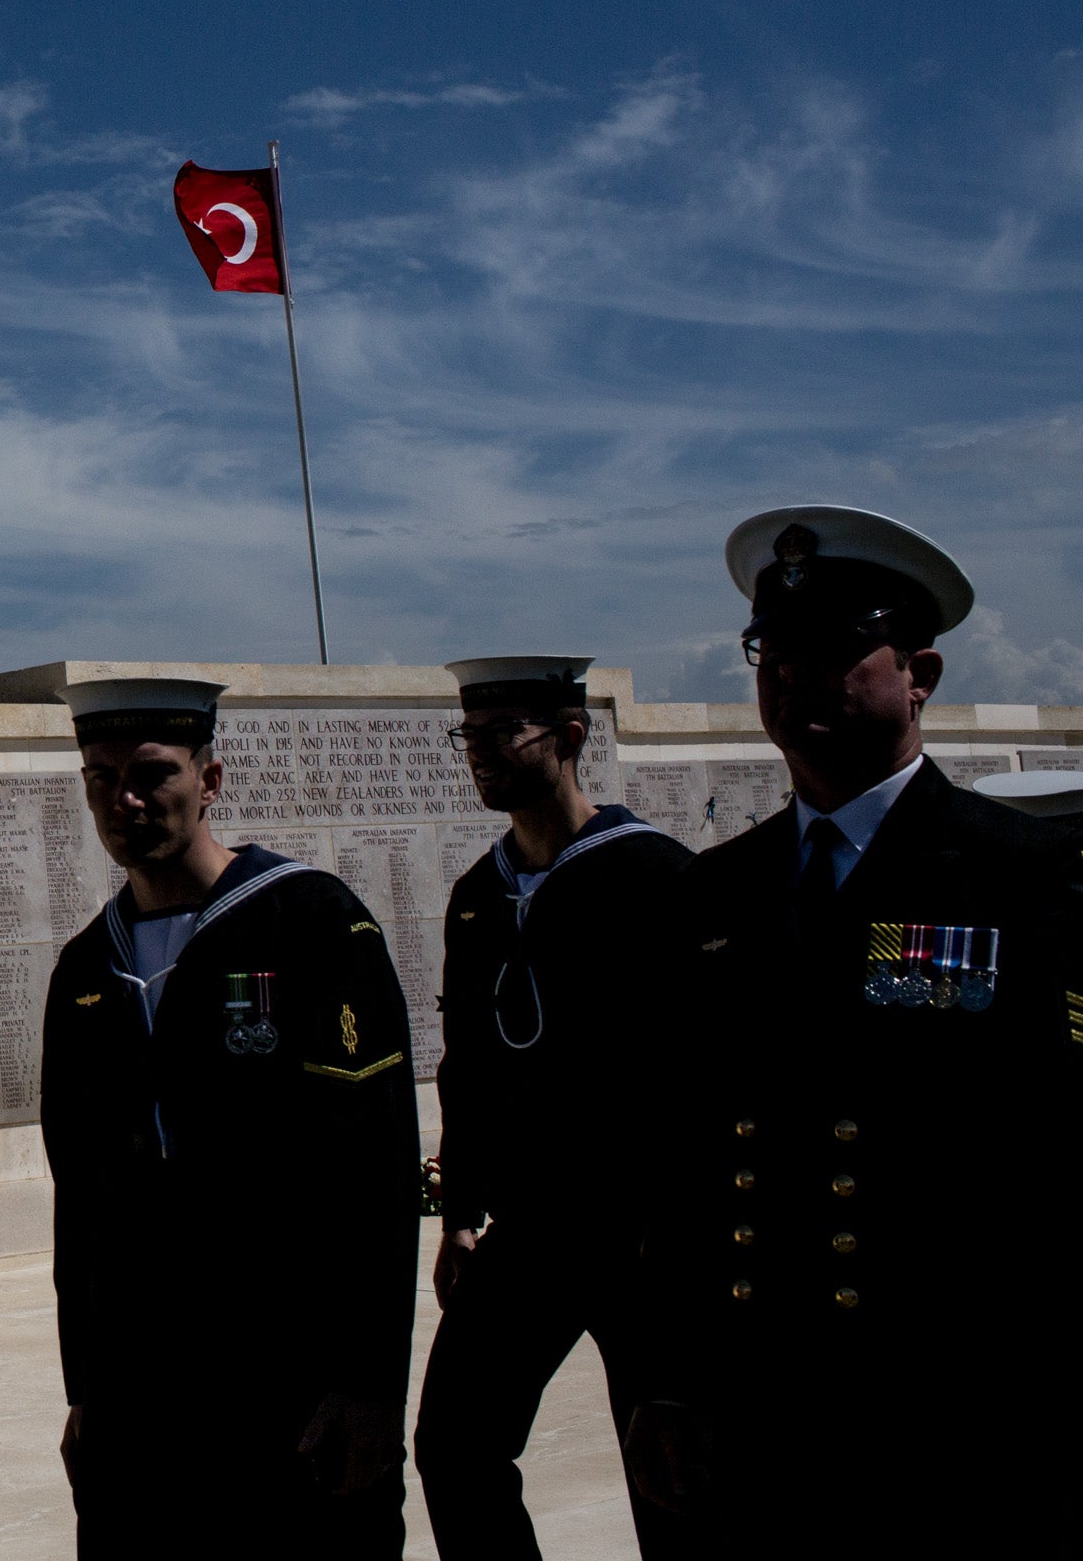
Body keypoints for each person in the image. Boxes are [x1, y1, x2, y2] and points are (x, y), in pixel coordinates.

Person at [620, 506, 1082, 1546]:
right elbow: (681, 1162)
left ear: (920, 672)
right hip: (759, 1419)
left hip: (955, 1422)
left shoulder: (1026, 874)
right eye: (770, 651)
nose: (794, 674)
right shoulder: (715, 893)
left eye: (834, 649)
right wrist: (667, 1381)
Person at [39, 677, 418, 1560]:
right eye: (99, 777)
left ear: (210, 779)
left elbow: (376, 1167)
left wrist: (370, 1386)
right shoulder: (88, 967)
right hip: (144, 1395)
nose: (123, 799)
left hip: (289, 1381)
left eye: (150, 773)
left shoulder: (312, 923)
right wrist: (85, 1389)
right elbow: (82, 1202)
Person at [411, 657, 692, 1560]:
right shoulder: (478, 896)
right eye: (471, 738)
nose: (481, 756)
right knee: (453, 1442)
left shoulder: (655, 877)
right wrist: (460, 1214)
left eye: (504, 736)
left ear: (570, 739)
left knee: (671, 1468)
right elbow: (468, 1068)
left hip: (642, 1236)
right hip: (532, 1232)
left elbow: (694, 1075)